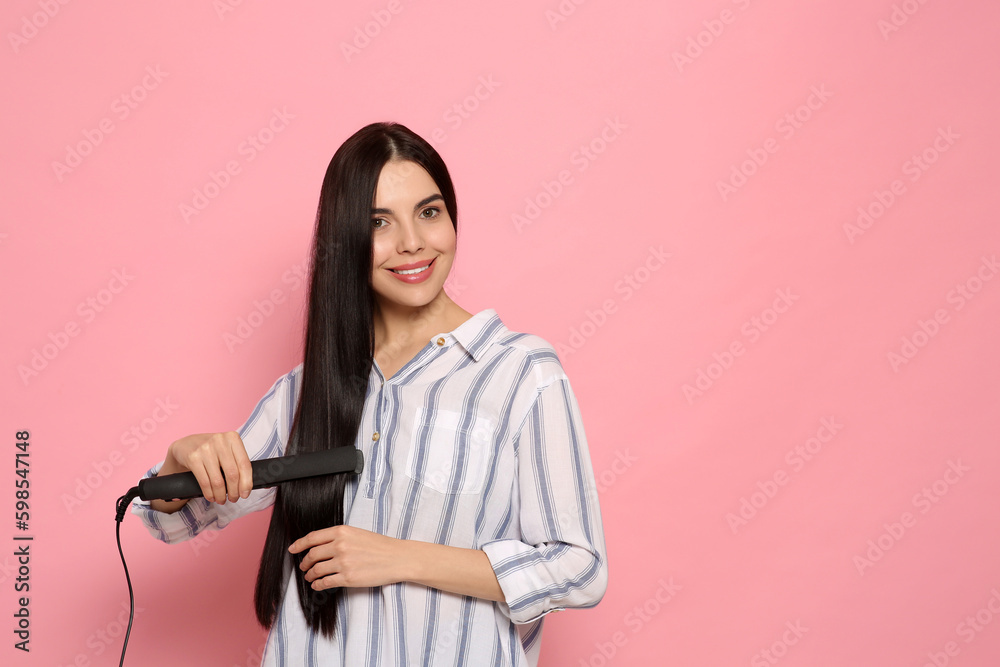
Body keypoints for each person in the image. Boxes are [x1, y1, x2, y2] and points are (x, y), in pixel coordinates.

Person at [131, 121, 608, 666]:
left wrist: (398, 558)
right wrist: (179, 459)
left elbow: (580, 567)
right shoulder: (306, 392)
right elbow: (174, 519)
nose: (412, 242)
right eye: (379, 222)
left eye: (429, 212)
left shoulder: (521, 373)